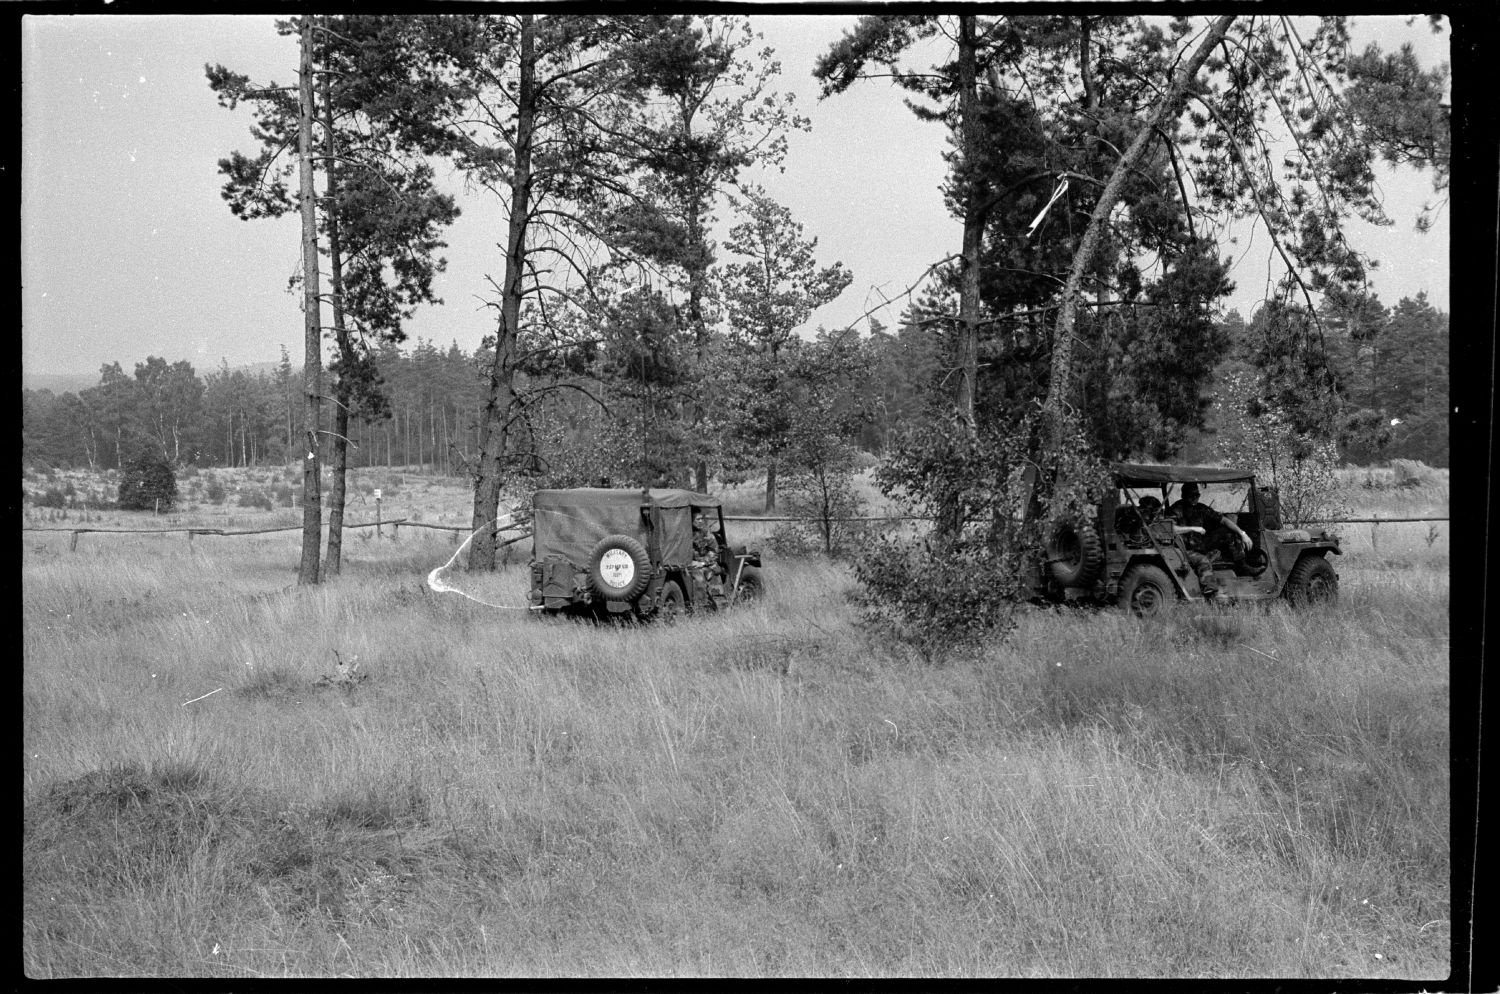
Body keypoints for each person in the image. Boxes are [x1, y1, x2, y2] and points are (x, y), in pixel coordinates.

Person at [1169, 482, 1253, 580]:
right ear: (1183, 495)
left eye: (1197, 495)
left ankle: (1241, 565)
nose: (1195, 498)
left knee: (1227, 532)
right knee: (1202, 560)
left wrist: (1242, 534)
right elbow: (1170, 529)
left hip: (1201, 544)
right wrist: (1192, 528)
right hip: (1184, 549)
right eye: (1191, 495)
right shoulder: (1176, 509)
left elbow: (1224, 520)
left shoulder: (1200, 508)